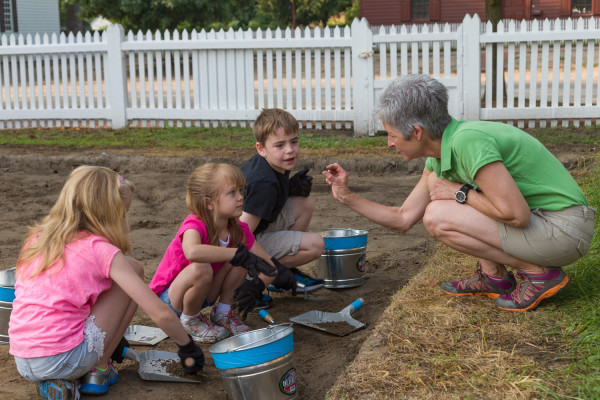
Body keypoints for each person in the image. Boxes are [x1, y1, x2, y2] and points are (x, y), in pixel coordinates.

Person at [324, 74, 595, 312]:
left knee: (438, 215)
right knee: (439, 210)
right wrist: (347, 196)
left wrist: (460, 192)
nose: (389, 143)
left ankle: (538, 273)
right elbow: (403, 219)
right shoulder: (441, 152)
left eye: (392, 134)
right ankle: (494, 277)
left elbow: (517, 215)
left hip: (565, 230)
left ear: (417, 132)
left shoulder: (468, 141)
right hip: (546, 226)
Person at [9, 166, 205, 400]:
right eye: (122, 214)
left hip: (23, 358)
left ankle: (60, 383)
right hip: (64, 357)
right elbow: (160, 313)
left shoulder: (37, 239)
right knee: (133, 270)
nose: (124, 220)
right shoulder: (100, 250)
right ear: (108, 214)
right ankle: (98, 370)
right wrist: (187, 346)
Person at [149, 163, 296, 340]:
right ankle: (190, 321)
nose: (241, 197)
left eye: (241, 191)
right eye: (232, 193)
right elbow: (192, 252)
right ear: (209, 202)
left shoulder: (238, 229)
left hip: (201, 295)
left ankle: (223, 314)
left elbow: (270, 267)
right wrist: (236, 254)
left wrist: (256, 287)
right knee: (202, 267)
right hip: (168, 302)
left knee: (242, 258)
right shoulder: (194, 224)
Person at [239, 108, 325, 286]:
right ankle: (256, 276)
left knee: (304, 204)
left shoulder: (273, 163)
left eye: (294, 142)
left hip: (257, 230)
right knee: (315, 244)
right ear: (261, 148)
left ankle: (283, 268)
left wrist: (288, 188)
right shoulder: (264, 183)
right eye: (280, 145)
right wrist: (270, 265)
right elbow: (240, 234)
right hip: (243, 245)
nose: (290, 150)